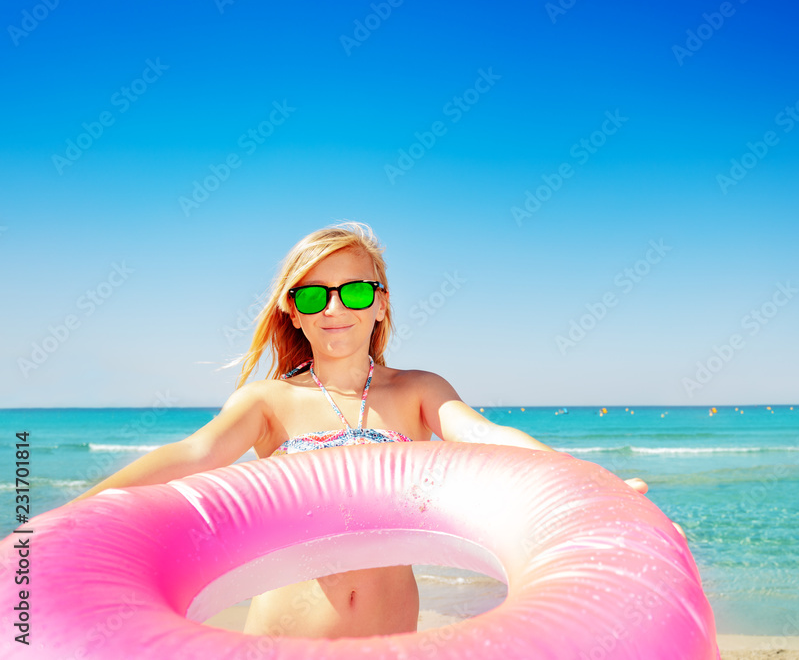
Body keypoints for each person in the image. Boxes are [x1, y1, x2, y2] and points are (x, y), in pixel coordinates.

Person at [71, 222, 649, 639]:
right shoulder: (269, 401)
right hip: (286, 638)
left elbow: (485, 436)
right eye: (314, 294)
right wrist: (77, 514)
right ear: (292, 311)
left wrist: (591, 483)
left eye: (352, 290)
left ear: (380, 303)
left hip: (388, 639)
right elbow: (193, 453)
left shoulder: (418, 391)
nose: (334, 308)